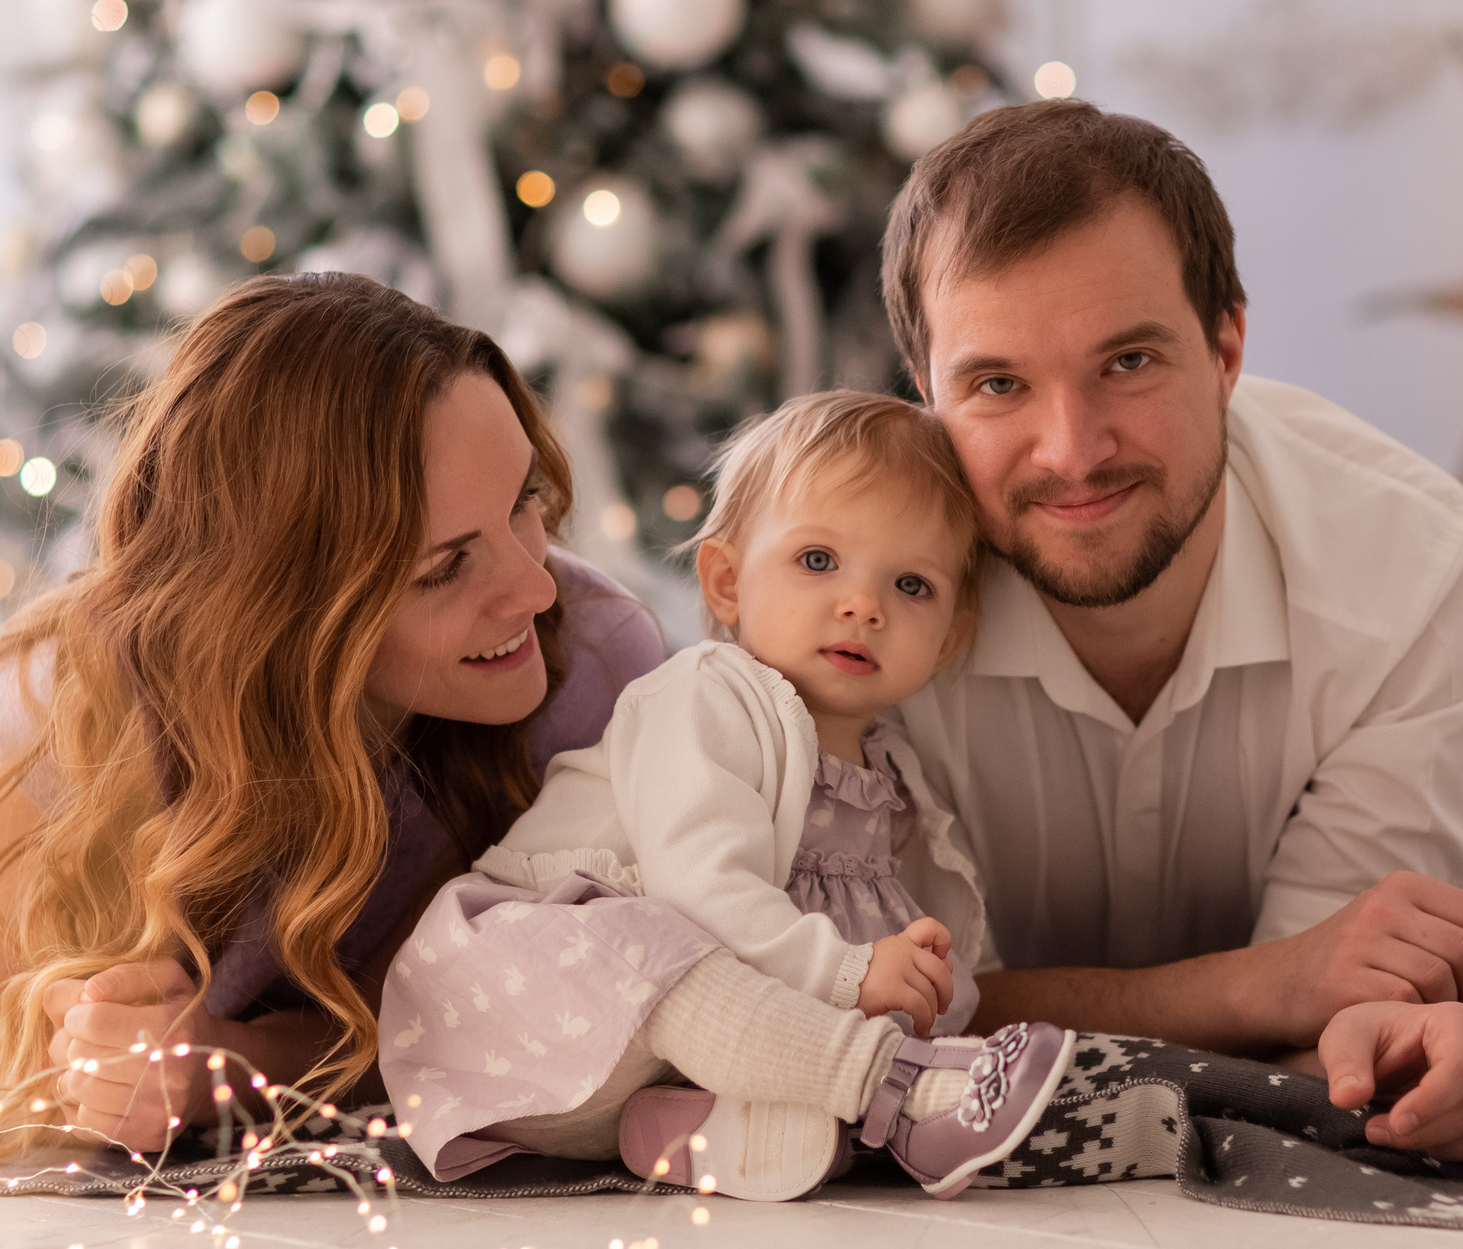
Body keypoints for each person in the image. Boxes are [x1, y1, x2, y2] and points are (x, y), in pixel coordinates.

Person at [0, 276, 1028, 1177]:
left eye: (525, 501)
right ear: (284, 610)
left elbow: (452, 1019)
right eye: (445, 568)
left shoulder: (587, 659)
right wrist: (77, 1071)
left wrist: (223, 1067)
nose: (532, 589)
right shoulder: (57, 711)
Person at [881, 100, 1463, 1136]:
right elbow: (888, 1017)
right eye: (997, 384)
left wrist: (1378, 1035)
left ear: (1227, 346)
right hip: (1286, 926)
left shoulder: (1414, 569)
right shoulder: (852, 607)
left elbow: (1339, 1000)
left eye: (1127, 363)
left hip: (1428, 860)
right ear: (926, 394)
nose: (1070, 451)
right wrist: (1267, 987)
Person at [382, 391, 1075, 1200]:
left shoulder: (889, 776)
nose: (864, 605)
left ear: (952, 631)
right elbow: (704, 894)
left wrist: (932, 985)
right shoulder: (708, 696)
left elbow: (900, 923)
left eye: (912, 584)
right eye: (818, 561)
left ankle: (700, 1127)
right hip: (512, 1002)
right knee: (664, 948)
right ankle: (895, 1090)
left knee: (728, 1005)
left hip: (635, 1070)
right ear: (725, 581)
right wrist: (852, 974)